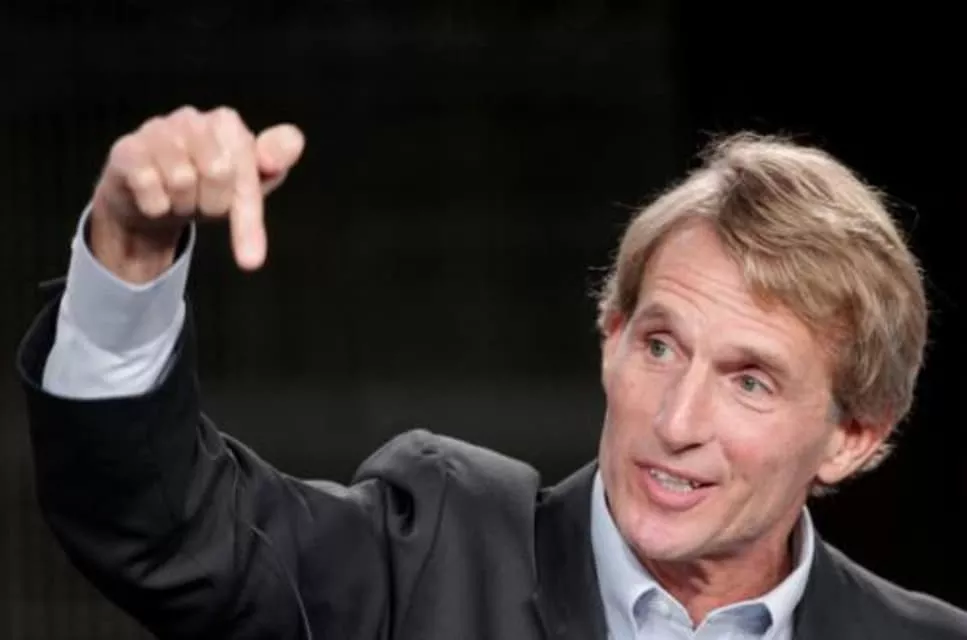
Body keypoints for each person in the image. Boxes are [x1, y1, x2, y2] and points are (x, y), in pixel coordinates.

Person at [16, 105, 967, 640]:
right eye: (660, 346)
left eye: (749, 381)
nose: (676, 421)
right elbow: (164, 528)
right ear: (610, 336)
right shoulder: (429, 556)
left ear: (852, 436)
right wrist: (130, 252)